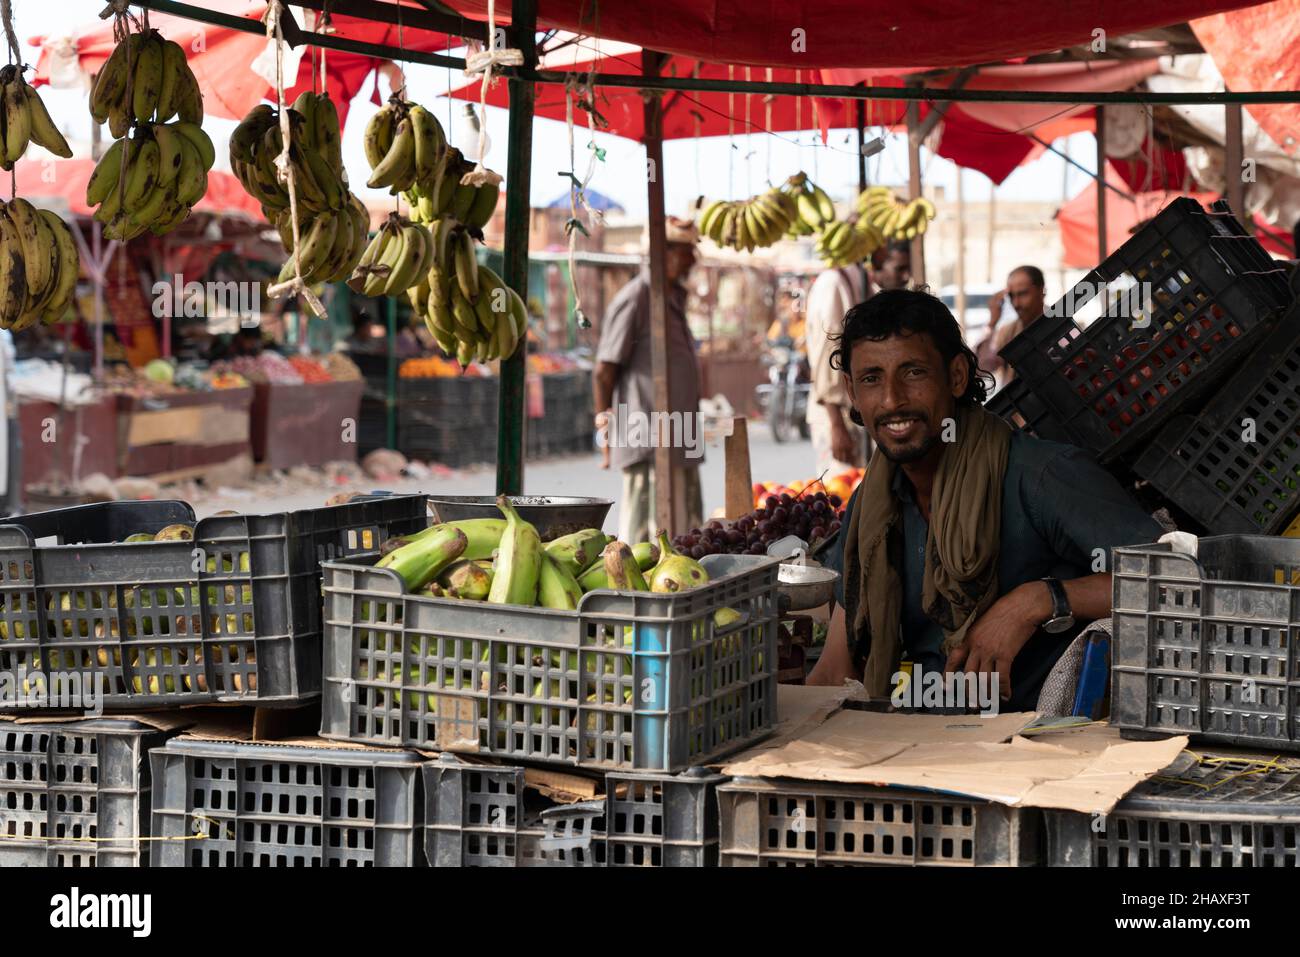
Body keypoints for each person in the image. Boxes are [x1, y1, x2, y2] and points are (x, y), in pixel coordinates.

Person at [807, 289, 1161, 712]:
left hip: (1043, 746)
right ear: (851, 390)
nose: (891, 399)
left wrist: (1039, 600)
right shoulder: (873, 506)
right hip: (922, 738)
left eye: (913, 372)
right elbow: (835, 668)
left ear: (956, 376)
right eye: (871, 379)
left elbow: (1175, 581)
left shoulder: (1039, 475)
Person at [594, 216, 704, 543]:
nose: (692, 260)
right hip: (646, 439)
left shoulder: (672, 297)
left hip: (679, 436)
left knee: (683, 533)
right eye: (685, 252)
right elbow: (604, 370)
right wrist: (605, 427)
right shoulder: (636, 298)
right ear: (663, 254)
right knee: (644, 539)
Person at [805, 241, 911, 474]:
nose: (906, 277)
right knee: (842, 492)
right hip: (838, 416)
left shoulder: (865, 287)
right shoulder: (834, 284)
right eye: (899, 268)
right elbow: (827, 357)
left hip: (859, 416)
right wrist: (836, 425)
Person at [975, 265, 1047, 386]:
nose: (1016, 303)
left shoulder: (1059, 326)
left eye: (1023, 294)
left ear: (1041, 291)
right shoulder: (1008, 331)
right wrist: (992, 323)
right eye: (1012, 296)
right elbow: (981, 369)